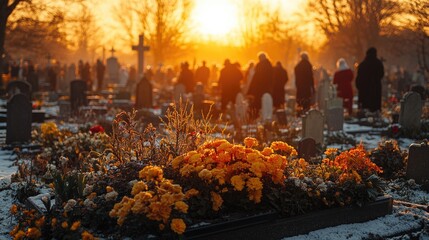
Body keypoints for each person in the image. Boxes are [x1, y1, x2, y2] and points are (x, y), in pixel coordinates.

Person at [355, 47, 384, 112]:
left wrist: (359, 87)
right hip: (375, 90)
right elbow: (381, 75)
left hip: (364, 90)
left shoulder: (362, 64)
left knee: (365, 108)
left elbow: (359, 78)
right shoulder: (378, 63)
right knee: (375, 108)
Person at [247, 52, 274, 119]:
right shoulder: (269, 65)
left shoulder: (259, 65)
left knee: (257, 104)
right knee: (266, 104)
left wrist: (251, 90)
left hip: (259, 89)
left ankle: (256, 118)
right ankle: (266, 119)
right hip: (267, 88)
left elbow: (255, 78)